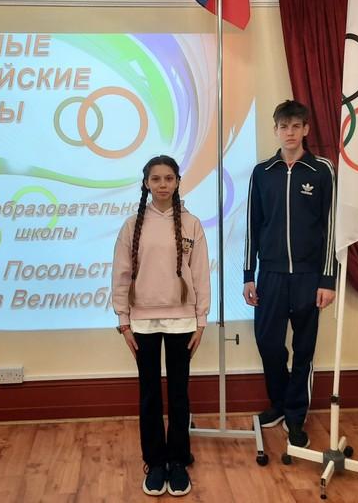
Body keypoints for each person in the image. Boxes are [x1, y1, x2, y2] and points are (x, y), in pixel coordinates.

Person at [112, 155, 210, 497]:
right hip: (142, 323)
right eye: (156, 179)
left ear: (178, 182)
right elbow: (121, 274)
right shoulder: (131, 226)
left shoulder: (192, 224)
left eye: (169, 178)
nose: (163, 184)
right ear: (146, 184)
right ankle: (155, 462)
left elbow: (201, 274)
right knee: (150, 393)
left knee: (179, 394)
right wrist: (124, 322)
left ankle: (178, 460)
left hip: (183, 322)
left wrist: (201, 321)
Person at [243, 100, 336, 449]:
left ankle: (296, 415)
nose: (290, 133)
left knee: (304, 349)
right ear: (276, 130)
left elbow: (332, 227)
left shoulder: (322, 170)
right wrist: (248, 274)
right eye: (284, 127)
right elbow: (253, 225)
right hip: (271, 274)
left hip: (309, 277)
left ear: (306, 129)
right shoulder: (262, 172)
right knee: (269, 343)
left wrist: (327, 279)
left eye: (296, 126)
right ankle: (279, 403)